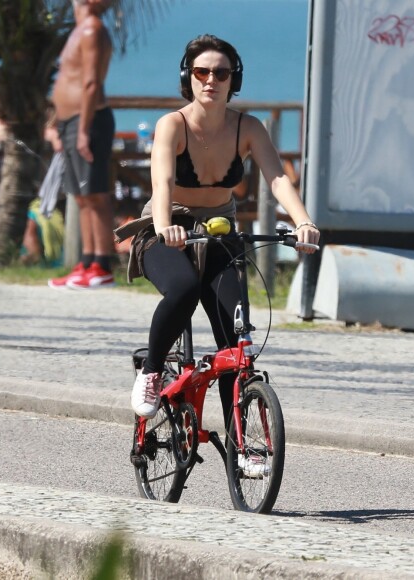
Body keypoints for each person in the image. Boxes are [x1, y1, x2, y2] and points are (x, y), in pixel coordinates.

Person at [116, 35, 320, 433]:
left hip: (219, 232)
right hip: (167, 227)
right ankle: (153, 371)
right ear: (188, 77)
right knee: (184, 287)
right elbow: (162, 182)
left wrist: (303, 221)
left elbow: (277, 178)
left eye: (221, 73)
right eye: (202, 72)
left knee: (235, 341)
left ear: (233, 79)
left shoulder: (248, 127)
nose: (211, 80)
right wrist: (163, 227)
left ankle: (242, 445)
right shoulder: (172, 124)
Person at [47, 0, 116, 290]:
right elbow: (68, 78)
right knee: (80, 196)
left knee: (96, 194)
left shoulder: (92, 30)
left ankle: (102, 264)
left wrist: (84, 129)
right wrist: (54, 123)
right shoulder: (79, 29)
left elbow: (90, 83)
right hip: (70, 121)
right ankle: (87, 262)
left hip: (87, 120)